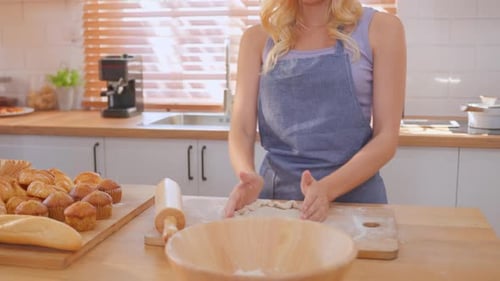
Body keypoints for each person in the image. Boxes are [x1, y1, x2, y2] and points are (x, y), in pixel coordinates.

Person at [224, 0, 406, 222]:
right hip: (277, 204)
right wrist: (248, 176)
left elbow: (386, 136)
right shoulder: (257, 39)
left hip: (356, 205)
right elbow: (242, 128)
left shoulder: (382, 29)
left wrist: (327, 189)